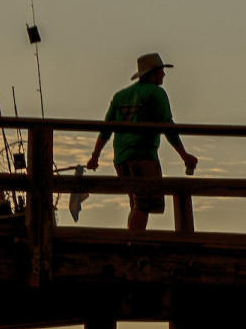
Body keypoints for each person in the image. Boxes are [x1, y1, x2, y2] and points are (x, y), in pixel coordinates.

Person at [84, 53, 198, 230]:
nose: (163, 75)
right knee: (144, 204)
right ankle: (133, 244)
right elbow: (168, 126)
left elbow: (106, 129)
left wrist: (95, 156)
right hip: (144, 156)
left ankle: (132, 240)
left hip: (121, 158)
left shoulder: (120, 96)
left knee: (136, 202)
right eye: (161, 71)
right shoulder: (156, 93)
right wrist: (184, 155)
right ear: (153, 74)